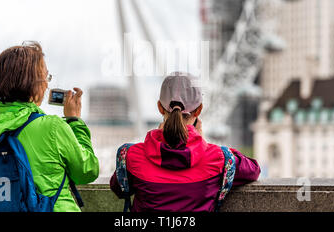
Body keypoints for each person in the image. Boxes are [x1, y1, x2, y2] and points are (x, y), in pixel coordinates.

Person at [0, 41, 99, 212]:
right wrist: (74, 121)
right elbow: (87, 171)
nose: (47, 84)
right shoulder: (52, 127)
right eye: (45, 77)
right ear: (34, 83)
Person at [110, 72, 260, 212]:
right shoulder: (218, 158)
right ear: (199, 110)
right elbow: (253, 170)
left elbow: (118, 187)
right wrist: (201, 143)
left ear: (160, 108)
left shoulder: (132, 156)